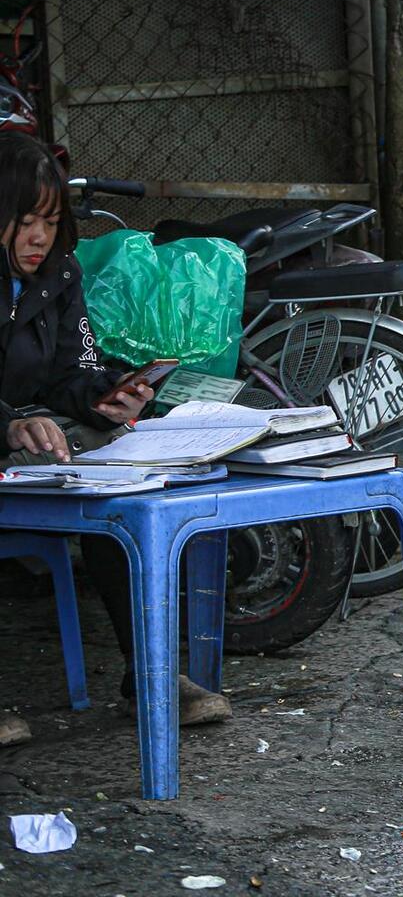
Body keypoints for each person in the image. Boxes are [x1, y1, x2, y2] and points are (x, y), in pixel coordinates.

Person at [0, 133, 230, 745]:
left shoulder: (58, 274)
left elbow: (68, 373)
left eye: (51, 222)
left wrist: (108, 397)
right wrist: (9, 423)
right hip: (10, 434)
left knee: (121, 491)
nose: (39, 238)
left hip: (32, 442)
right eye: (25, 221)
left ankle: (151, 680)